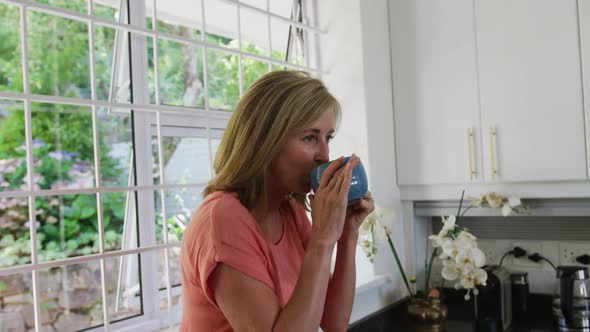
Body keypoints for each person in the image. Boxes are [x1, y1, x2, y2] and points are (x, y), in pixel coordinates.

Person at [180, 70, 374, 331]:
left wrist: (347, 233)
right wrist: (323, 238)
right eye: (309, 138)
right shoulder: (223, 218)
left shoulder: (290, 210)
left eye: (327, 138)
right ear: (266, 141)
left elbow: (333, 322)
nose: (324, 155)